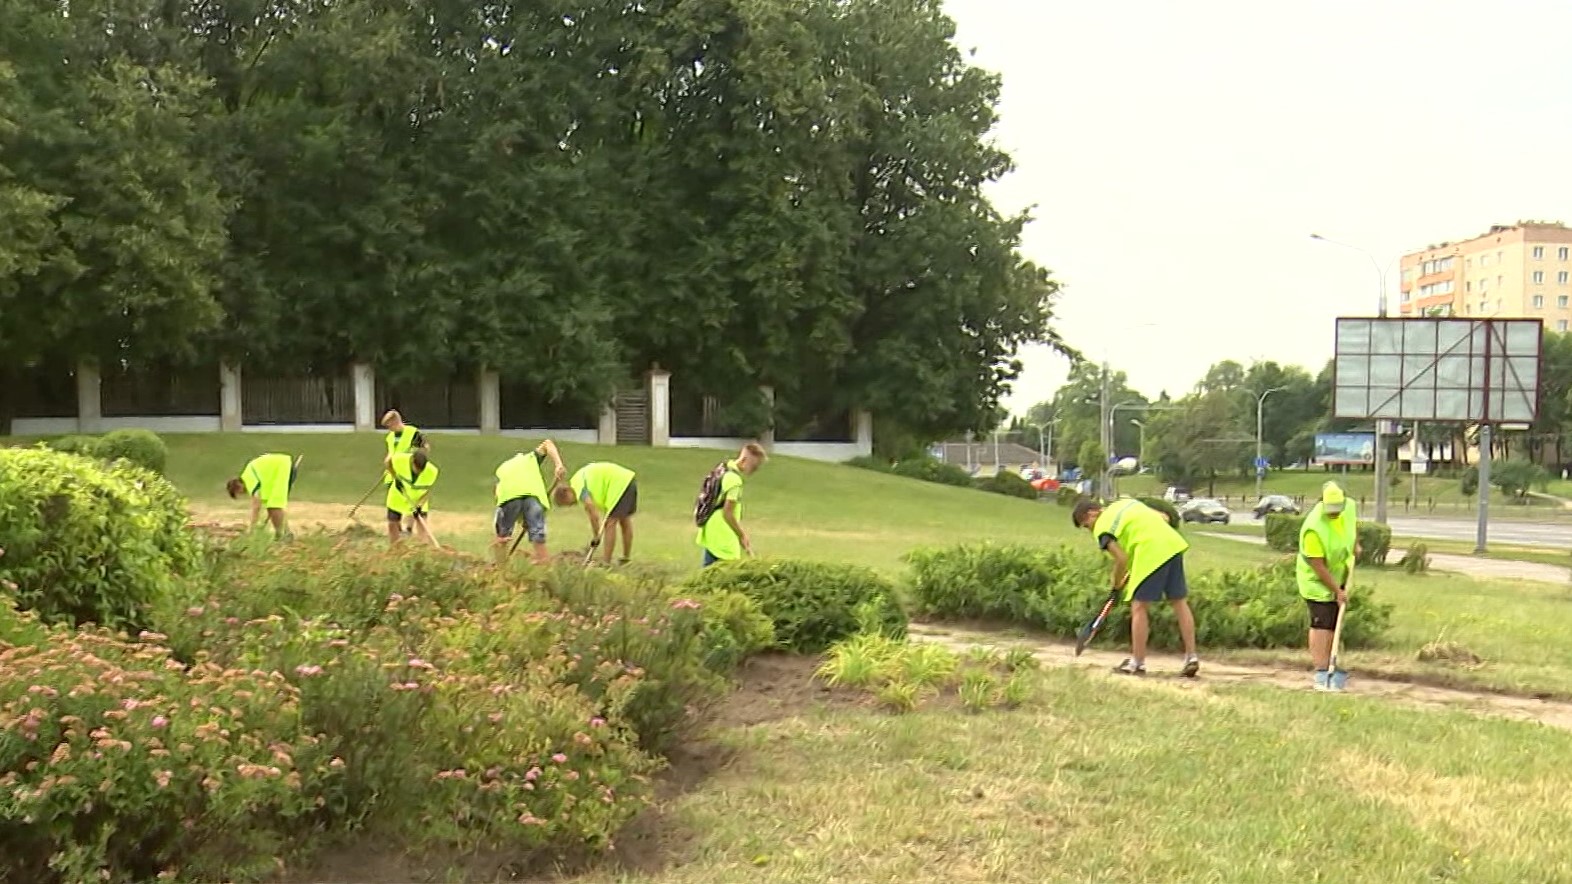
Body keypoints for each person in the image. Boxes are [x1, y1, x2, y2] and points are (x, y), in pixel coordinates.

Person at [1072, 497, 1200, 677]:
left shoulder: (1102, 528)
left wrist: (1116, 583)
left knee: (1139, 607)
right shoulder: (1125, 503)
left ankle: (1137, 663)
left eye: (1086, 525)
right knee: (1179, 602)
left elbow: (1121, 559)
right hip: (1172, 545)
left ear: (1092, 513)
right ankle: (1191, 657)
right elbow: (1164, 517)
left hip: (1150, 553)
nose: (1089, 530)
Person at [1297, 481, 1360, 691]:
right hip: (1316, 580)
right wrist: (1337, 590)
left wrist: (1355, 544)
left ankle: (1331, 662)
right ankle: (1322, 670)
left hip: (1338, 571)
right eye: (1330, 512)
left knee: (1334, 621)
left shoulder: (1348, 507)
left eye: (1337, 511)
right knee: (1321, 622)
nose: (1334, 515)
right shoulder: (1313, 529)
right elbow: (1318, 566)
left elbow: (1352, 525)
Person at [491, 440, 568, 565]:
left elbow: (508, 502)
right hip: (534, 496)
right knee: (538, 535)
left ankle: (500, 569)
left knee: (502, 535)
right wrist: (558, 464)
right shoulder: (531, 459)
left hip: (509, 496)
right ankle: (544, 566)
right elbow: (548, 443)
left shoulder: (504, 470)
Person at [696, 442, 768, 567]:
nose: (755, 470)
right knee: (726, 573)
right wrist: (742, 534)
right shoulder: (734, 481)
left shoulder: (724, 468)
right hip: (723, 531)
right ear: (745, 460)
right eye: (754, 466)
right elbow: (728, 513)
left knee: (709, 570)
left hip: (711, 527)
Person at [561, 461, 639, 565]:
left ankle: (606, 562)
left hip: (619, 485)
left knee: (610, 523)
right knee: (624, 520)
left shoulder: (579, 488)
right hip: (627, 480)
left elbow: (593, 514)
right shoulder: (577, 479)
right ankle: (625, 558)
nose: (571, 505)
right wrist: (597, 535)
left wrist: (596, 536)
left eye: (567, 503)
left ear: (567, 492)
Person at [226, 453, 299, 540]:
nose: (243, 494)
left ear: (238, 486)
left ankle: (284, 535)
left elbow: (256, 506)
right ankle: (282, 534)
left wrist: (252, 529)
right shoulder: (249, 475)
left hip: (282, 468)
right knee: (272, 506)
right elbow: (265, 506)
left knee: (274, 506)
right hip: (280, 468)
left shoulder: (249, 480)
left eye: (239, 493)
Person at [380, 410, 428, 536]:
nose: (389, 429)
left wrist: (412, 455)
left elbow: (424, 449)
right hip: (393, 473)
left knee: (410, 500)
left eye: (389, 425)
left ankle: (409, 528)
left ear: (396, 421)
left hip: (408, 473)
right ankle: (398, 529)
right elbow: (391, 452)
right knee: (395, 502)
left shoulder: (413, 433)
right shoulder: (390, 437)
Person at [385, 450, 439, 546]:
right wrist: (394, 476)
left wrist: (419, 505)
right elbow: (388, 462)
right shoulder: (400, 459)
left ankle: (424, 548)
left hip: (418, 497)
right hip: (399, 495)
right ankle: (395, 548)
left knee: (422, 523)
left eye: (421, 470)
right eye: (417, 468)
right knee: (393, 522)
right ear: (412, 461)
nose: (418, 471)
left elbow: (427, 491)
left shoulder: (432, 471)